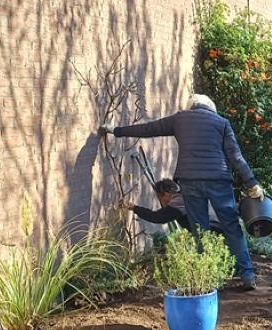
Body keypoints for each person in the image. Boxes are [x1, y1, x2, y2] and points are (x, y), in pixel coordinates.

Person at [99, 95, 263, 290]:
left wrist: (115, 130)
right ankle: (247, 276)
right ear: (211, 109)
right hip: (218, 180)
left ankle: (208, 279)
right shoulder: (222, 123)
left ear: (192, 107)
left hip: (190, 181)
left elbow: (149, 129)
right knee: (232, 227)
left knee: (200, 230)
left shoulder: (180, 119)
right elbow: (236, 157)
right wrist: (252, 184)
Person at [123, 178, 221, 234]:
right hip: (218, 227)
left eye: (160, 197)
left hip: (215, 232)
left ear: (167, 193)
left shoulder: (179, 203)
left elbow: (157, 218)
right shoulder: (186, 193)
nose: (161, 201)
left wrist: (134, 208)